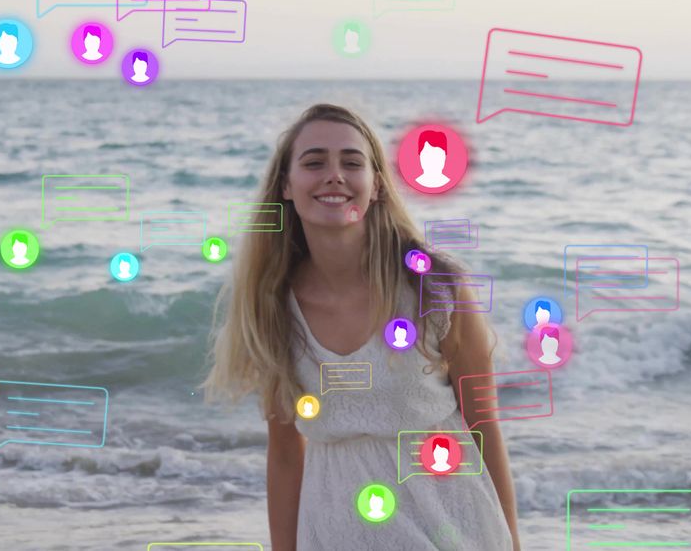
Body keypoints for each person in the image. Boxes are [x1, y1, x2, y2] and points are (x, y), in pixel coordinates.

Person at [205, 104, 521, 550]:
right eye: (314, 162)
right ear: (287, 187)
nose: (334, 175)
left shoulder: (434, 288)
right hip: (335, 533)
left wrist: (513, 540)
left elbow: (483, 422)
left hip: (452, 529)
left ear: (375, 187)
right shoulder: (272, 308)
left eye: (352, 163)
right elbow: (285, 454)